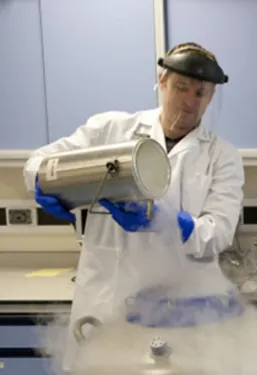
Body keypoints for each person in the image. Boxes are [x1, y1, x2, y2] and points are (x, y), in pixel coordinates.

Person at [23, 42, 245, 371]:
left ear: (210, 97)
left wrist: (167, 221)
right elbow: (39, 162)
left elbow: (218, 233)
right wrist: (42, 181)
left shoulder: (222, 156)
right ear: (162, 81)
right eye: (181, 87)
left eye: (200, 93)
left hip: (178, 314)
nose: (189, 101)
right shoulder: (111, 130)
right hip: (106, 304)